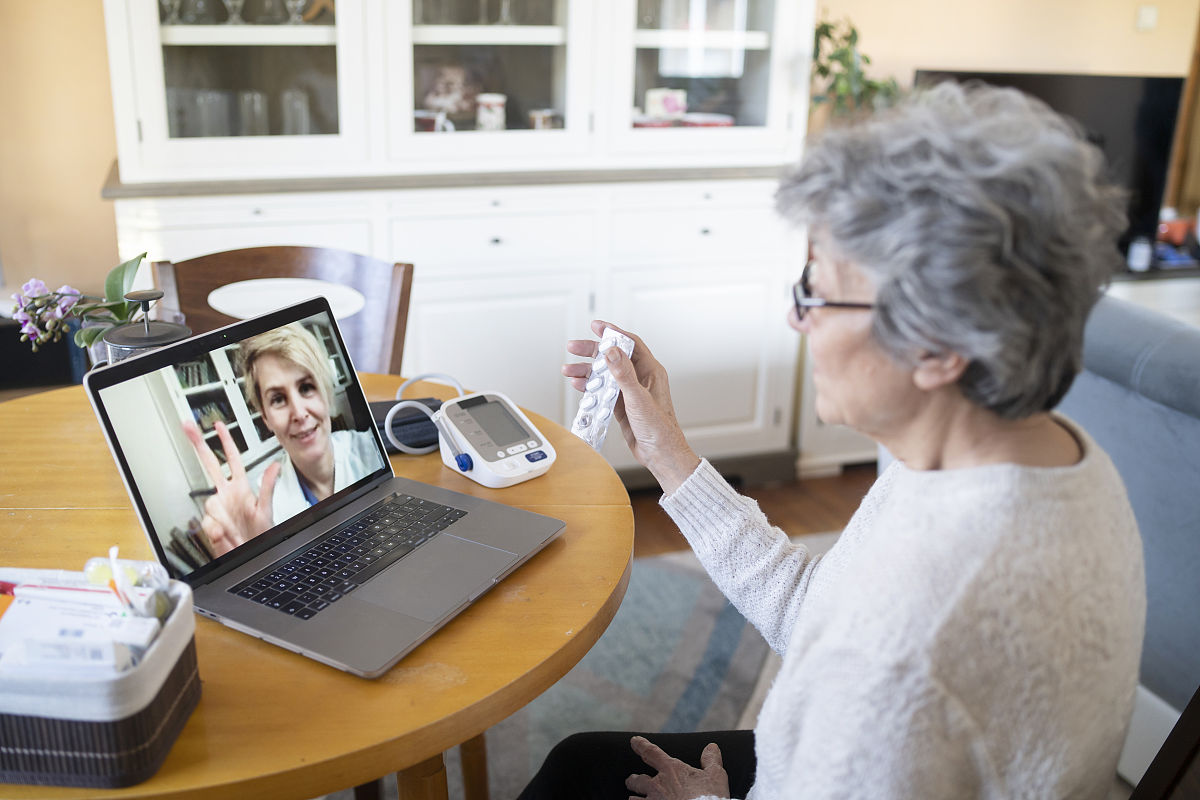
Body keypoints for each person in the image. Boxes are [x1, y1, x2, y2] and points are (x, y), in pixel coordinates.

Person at [524, 82, 1147, 799]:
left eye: (815, 292)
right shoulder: (1048, 460)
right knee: (581, 764)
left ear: (937, 346)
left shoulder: (897, 659)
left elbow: (871, 656)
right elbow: (817, 611)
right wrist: (663, 447)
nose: (797, 319)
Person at [183, 323, 380, 557]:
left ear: (326, 392)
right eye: (277, 398)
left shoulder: (372, 450)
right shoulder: (259, 507)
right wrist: (253, 558)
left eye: (306, 387)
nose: (298, 413)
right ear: (265, 417)